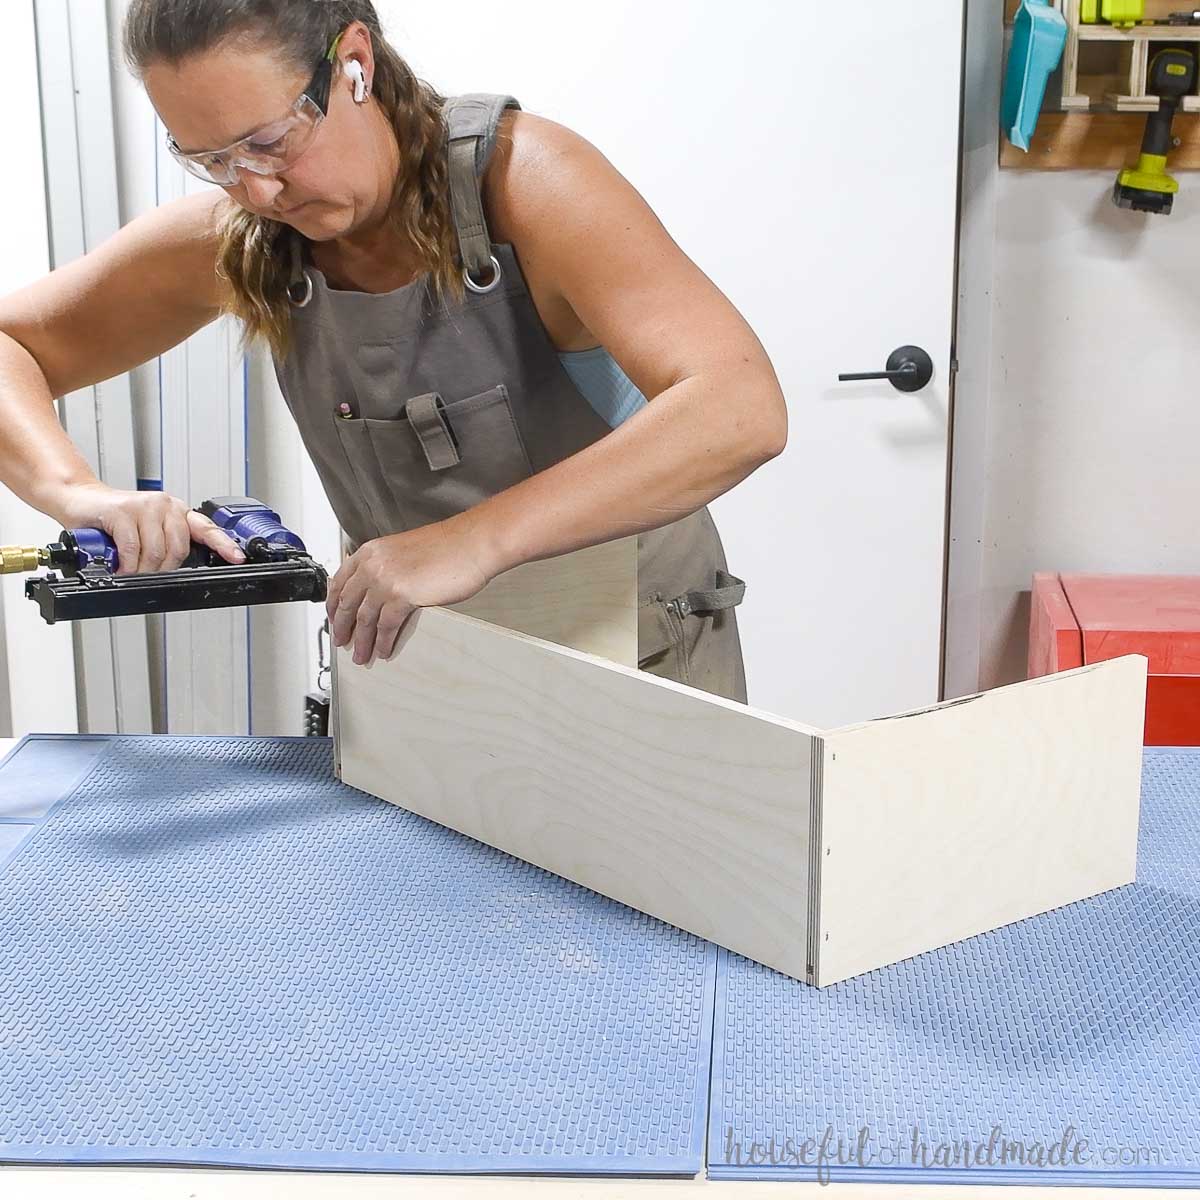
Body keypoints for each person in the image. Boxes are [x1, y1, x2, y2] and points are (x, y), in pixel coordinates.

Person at [0, 0, 787, 703]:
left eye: (270, 142)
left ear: (354, 65)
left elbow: (738, 408)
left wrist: (472, 541)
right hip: (424, 679)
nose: (257, 192)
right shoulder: (244, 237)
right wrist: (78, 494)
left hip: (637, 663)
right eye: (211, 161)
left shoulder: (527, 183)